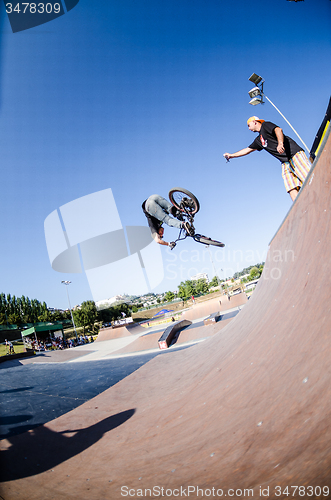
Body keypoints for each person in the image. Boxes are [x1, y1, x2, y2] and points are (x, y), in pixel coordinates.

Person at [223, 116, 311, 201]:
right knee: (290, 187)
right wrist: (232, 155)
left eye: (249, 125)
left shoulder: (265, 125)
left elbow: (278, 129)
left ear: (255, 122)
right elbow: (247, 150)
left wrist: (280, 143)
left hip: (294, 154)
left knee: (307, 176)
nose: (249, 129)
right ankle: (300, 208)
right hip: (285, 162)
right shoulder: (258, 140)